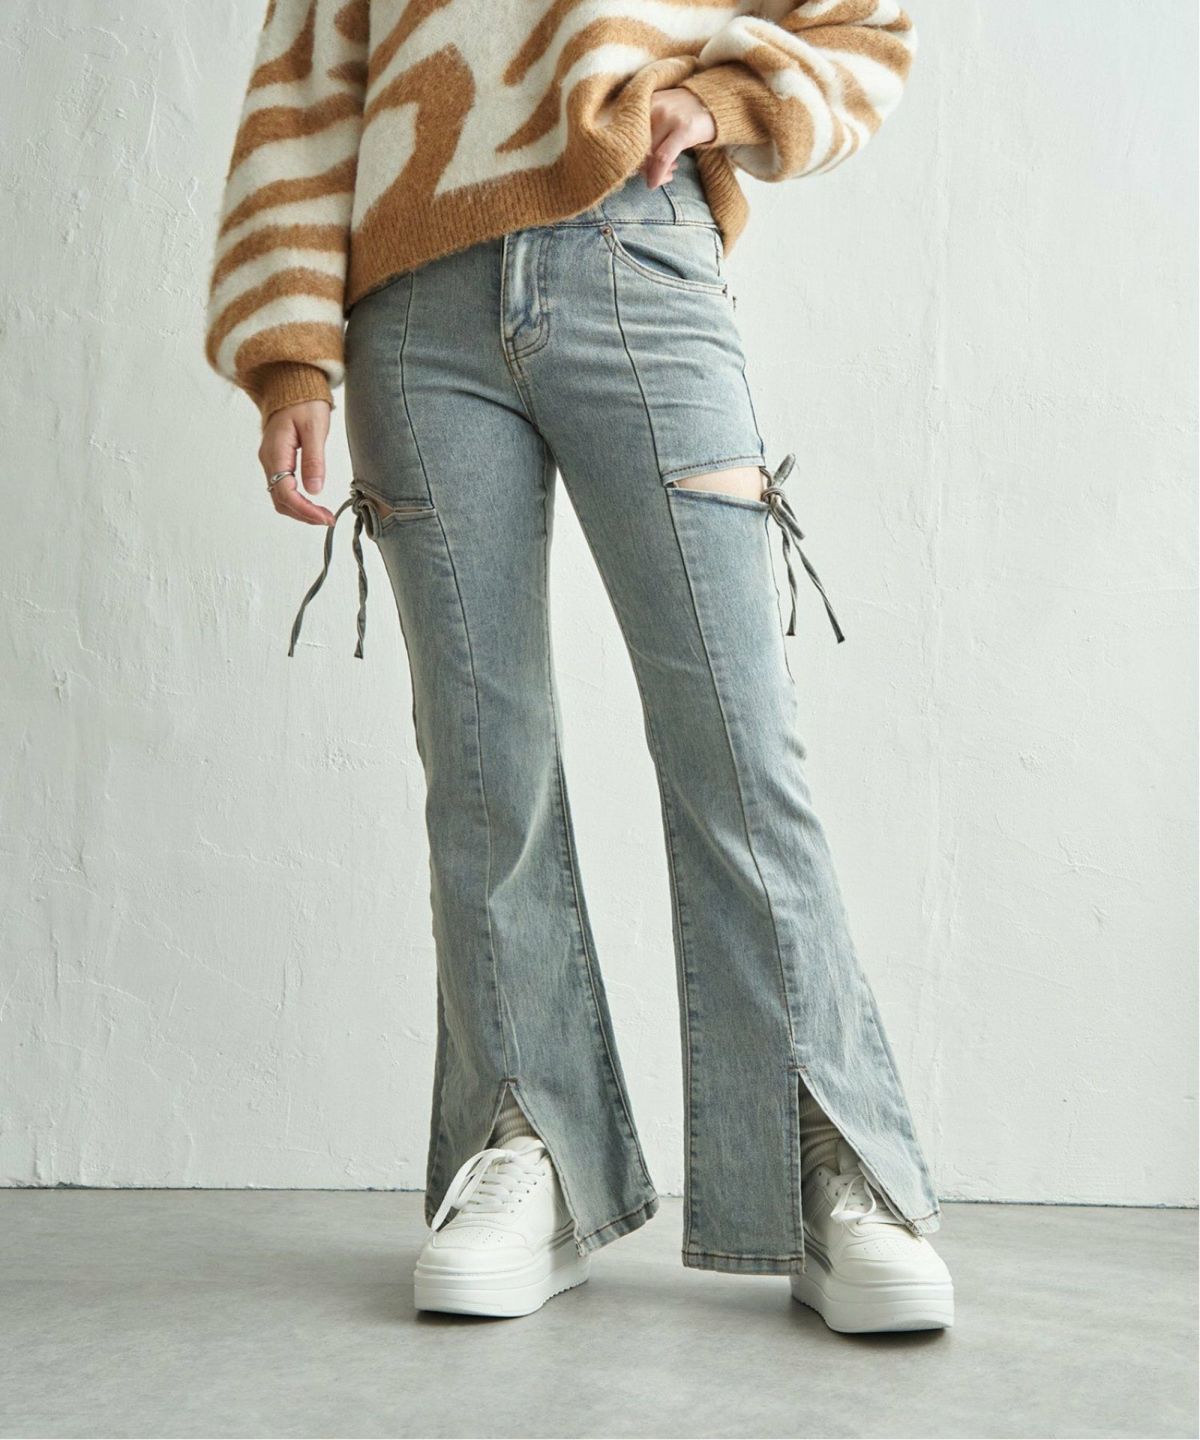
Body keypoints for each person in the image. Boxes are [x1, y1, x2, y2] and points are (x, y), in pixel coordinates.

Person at [205, 0, 954, 1334]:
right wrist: (288, 360)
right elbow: (306, 86)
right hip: (409, 310)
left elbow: (862, 22)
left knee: (737, 740)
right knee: (481, 764)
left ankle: (825, 1159)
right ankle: (529, 1137)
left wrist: (729, 101)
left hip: (637, 245)